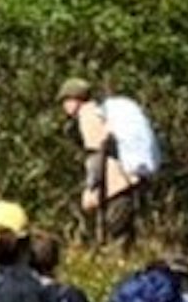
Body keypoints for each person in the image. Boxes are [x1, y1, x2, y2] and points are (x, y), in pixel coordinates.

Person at [61, 83, 164, 242]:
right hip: (129, 178)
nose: (64, 106)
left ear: (75, 100)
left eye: (66, 100)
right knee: (125, 231)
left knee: (116, 232)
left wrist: (91, 187)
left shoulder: (87, 115)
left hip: (116, 183)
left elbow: (96, 153)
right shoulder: (99, 111)